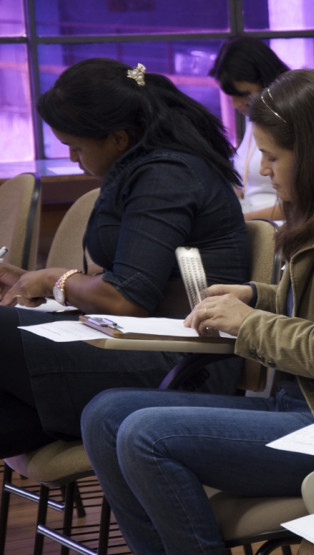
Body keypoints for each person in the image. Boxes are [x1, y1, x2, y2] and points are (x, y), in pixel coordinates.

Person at [81, 68, 314, 554]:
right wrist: (257, 295)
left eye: (273, 156)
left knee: (146, 436)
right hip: (306, 403)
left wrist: (250, 323)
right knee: (103, 415)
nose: (265, 168)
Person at [0, 58, 248, 459]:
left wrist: (51, 281)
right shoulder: (140, 168)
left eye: (77, 147)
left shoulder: (167, 175)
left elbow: (125, 298)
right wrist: (27, 278)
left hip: (183, 361)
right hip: (134, 341)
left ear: (118, 138)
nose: (74, 159)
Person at [210, 36, 290, 221]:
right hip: (252, 222)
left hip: (278, 228)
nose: (236, 104)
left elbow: (304, 204)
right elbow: (246, 184)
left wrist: (240, 220)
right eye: (230, 96)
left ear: (266, 80)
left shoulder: (289, 117)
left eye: (243, 94)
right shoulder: (253, 115)